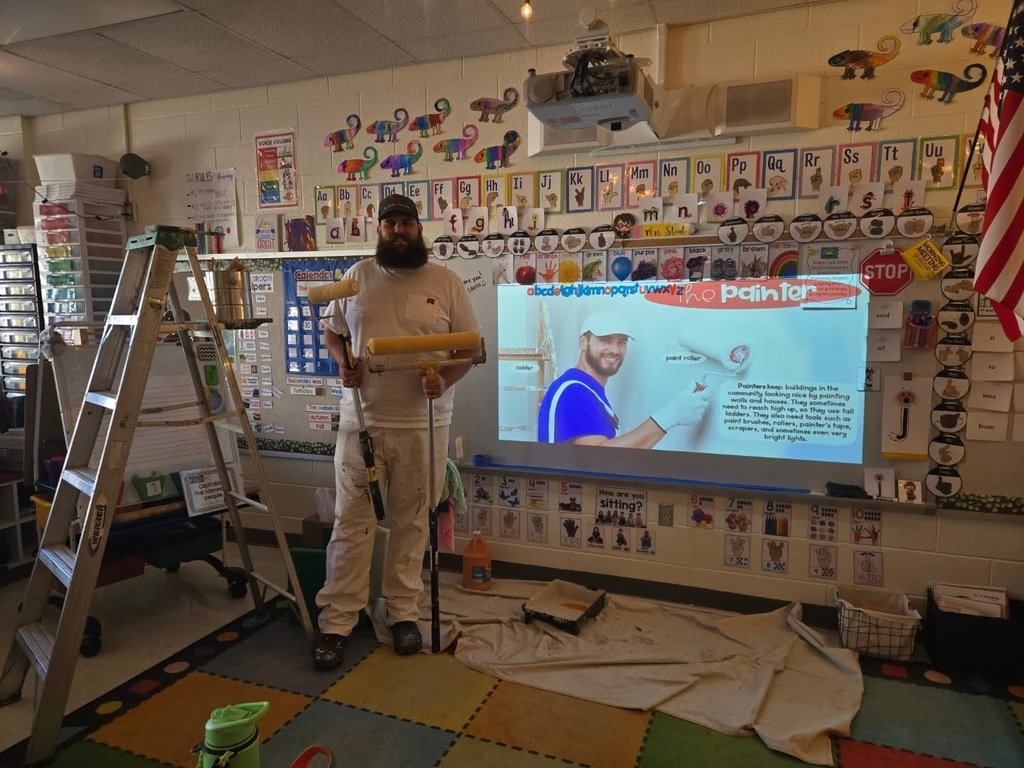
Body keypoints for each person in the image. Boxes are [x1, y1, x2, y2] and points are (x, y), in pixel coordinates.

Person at [313, 194, 480, 671]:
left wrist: (442, 380)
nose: (399, 230)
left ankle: (402, 613)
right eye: (390, 223)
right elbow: (333, 332)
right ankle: (337, 622)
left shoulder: (445, 281)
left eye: (407, 221)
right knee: (352, 524)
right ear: (379, 229)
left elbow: (469, 348)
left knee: (411, 523)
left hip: (425, 426)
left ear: (419, 228)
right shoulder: (357, 277)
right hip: (361, 423)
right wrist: (343, 363)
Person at [537, 311, 711, 446]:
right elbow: (598, 460)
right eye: (605, 340)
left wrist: (678, 408)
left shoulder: (588, 389)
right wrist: (670, 415)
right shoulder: (574, 392)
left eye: (622, 342)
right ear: (583, 342)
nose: (615, 350)